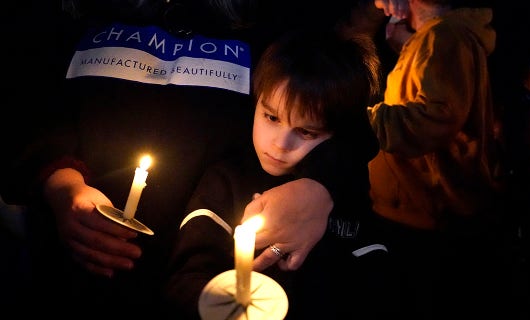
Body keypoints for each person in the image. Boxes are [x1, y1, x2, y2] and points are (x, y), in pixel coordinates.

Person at [0, 0, 385, 317]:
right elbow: (26, 104)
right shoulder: (65, 19)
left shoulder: (278, 22)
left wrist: (317, 187)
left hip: (211, 262)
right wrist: (59, 179)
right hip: (81, 282)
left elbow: (349, 117)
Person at [164, 27, 388, 320]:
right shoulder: (226, 180)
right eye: (271, 117)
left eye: (306, 132)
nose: (280, 145)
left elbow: (375, 284)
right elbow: (187, 278)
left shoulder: (347, 191)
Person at [366, 0, 510, 318]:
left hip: (427, 215)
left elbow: (437, 117)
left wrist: (364, 122)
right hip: (424, 213)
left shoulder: (445, 35)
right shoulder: (438, 36)